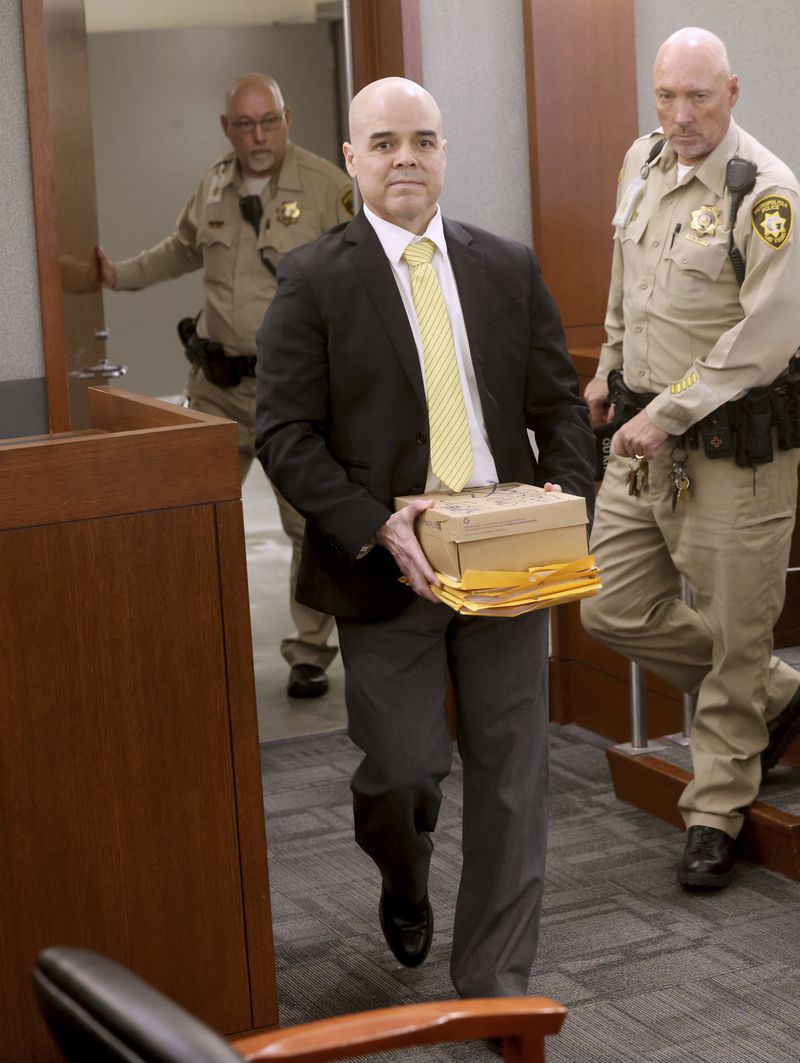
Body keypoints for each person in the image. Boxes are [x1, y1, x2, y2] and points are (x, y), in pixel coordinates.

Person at [255, 76, 595, 999]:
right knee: (403, 772)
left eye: (424, 140)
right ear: (355, 158)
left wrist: (566, 494)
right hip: (388, 568)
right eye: (386, 142)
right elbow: (282, 434)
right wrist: (376, 525)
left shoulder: (505, 266)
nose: (406, 156)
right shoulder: (314, 277)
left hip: (505, 557)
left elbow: (558, 404)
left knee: (514, 779)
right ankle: (402, 875)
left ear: (443, 154)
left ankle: (496, 986)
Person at [581, 28, 800, 890]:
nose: (679, 115)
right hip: (641, 439)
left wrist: (667, 412)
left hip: (729, 451)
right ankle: (771, 695)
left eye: (698, 98)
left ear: (734, 93)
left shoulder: (769, 195)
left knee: (737, 626)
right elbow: (624, 280)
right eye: (666, 96)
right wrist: (606, 367)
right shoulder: (644, 159)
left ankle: (714, 811)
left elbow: (765, 340)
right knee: (608, 604)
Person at [96, 73, 353, 699]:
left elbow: (360, 277)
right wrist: (114, 276)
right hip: (215, 388)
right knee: (186, 517)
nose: (258, 135)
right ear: (227, 129)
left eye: (268, 121)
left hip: (294, 397)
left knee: (306, 525)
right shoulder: (213, 184)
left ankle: (310, 653)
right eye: (245, 124)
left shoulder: (327, 189)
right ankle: (189, 644)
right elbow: (180, 249)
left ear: (286, 117)